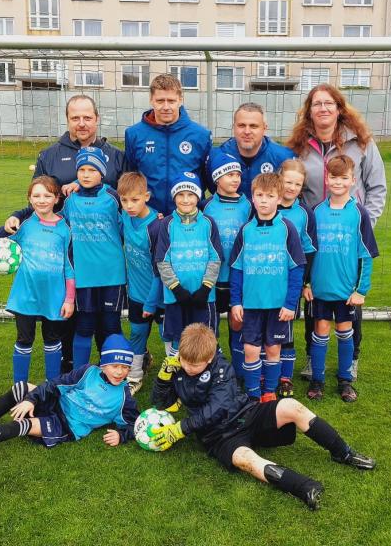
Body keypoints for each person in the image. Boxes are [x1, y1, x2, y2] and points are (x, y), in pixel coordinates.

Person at [151, 323, 376, 511]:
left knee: (292, 406)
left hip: (247, 414)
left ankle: (343, 453)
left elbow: (218, 407)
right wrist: (163, 377)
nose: (188, 367)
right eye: (184, 361)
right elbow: (163, 404)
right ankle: (305, 488)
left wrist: (180, 429)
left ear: (209, 358)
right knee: (246, 460)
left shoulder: (222, 368)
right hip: (218, 436)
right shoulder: (177, 368)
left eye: (195, 364)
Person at [4, 94, 125, 371]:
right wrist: (17, 216)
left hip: (107, 260)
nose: (82, 123)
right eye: (75, 118)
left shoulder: (117, 157)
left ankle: (111, 367)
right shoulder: (50, 155)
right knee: (71, 318)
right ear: (67, 119)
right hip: (65, 255)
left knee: (108, 322)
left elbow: (129, 199)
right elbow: (38, 200)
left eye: (87, 117)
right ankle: (70, 368)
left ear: (97, 119)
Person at [286, 83, 387, 381]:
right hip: (315, 238)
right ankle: (312, 356)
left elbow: (377, 188)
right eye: (316, 104)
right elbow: (293, 189)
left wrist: (363, 227)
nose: (323, 108)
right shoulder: (299, 146)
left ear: (339, 108)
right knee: (313, 297)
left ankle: (351, 358)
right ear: (309, 111)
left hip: (347, 238)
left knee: (349, 299)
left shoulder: (361, 142)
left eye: (329, 103)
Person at [0, 334, 139, 450]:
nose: (120, 372)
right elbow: (56, 384)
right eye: (114, 366)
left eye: (125, 367)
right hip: (56, 404)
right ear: (103, 364)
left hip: (66, 426)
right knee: (21, 387)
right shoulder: (88, 372)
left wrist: (121, 436)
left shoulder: (124, 398)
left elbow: (136, 425)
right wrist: (31, 399)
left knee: (23, 425)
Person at [0, 176, 74, 383]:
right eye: (36, 196)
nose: (42, 200)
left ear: (56, 199)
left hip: (54, 296)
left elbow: (69, 267)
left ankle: (51, 387)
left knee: (52, 339)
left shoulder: (65, 228)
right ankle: (19, 388)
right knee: (24, 339)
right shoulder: (22, 225)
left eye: (47, 196)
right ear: (29, 198)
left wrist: (69, 299)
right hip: (25, 295)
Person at [303, 155, 379, 402]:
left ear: (353, 181)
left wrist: (361, 290)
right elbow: (308, 252)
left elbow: (366, 254)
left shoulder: (359, 214)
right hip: (320, 289)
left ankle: (345, 380)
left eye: (343, 178)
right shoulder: (316, 212)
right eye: (333, 177)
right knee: (320, 330)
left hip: (346, 291)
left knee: (345, 331)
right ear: (326, 179)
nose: (338, 182)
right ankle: (317, 379)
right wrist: (306, 283)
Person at [229, 173, 305, 402]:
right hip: (251, 305)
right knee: (251, 350)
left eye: (270, 196)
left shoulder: (287, 229)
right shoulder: (246, 231)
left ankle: (270, 392)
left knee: (273, 349)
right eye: (259, 195)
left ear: (279, 199)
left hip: (278, 306)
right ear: (252, 198)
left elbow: (297, 268)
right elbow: (236, 268)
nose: (264, 201)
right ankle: (253, 396)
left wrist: (290, 304)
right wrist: (236, 301)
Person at [59, 146, 126, 369]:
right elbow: (55, 221)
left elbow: (131, 221)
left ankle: (113, 373)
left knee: (111, 327)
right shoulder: (70, 200)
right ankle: (80, 374)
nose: (86, 174)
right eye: (82, 170)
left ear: (102, 173)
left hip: (111, 275)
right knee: (84, 327)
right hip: (83, 276)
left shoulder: (113, 197)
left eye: (92, 170)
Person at [124, 74, 212, 216]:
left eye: (171, 101)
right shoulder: (134, 134)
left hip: (187, 218)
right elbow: (132, 176)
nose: (166, 107)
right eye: (160, 101)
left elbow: (206, 179)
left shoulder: (201, 135)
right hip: (148, 217)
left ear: (180, 100)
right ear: (151, 100)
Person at [155, 172, 223, 349]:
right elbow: (162, 260)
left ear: (198, 196)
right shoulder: (167, 224)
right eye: (181, 195)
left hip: (204, 296)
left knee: (205, 339)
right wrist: (177, 289)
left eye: (191, 195)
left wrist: (205, 288)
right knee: (178, 340)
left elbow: (215, 258)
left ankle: (208, 367)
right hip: (176, 296)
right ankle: (175, 366)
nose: (186, 200)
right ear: (174, 197)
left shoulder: (208, 223)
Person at [202, 150, 252, 379]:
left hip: (238, 278)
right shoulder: (205, 206)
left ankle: (239, 373)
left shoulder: (248, 205)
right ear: (216, 178)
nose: (235, 179)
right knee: (210, 326)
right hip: (213, 278)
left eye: (238, 175)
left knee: (237, 322)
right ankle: (214, 371)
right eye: (229, 175)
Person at [117, 171, 164, 394]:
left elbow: (160, 270)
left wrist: (151, 303)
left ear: (147, 196)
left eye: (135, 200)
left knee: (168, 337)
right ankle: (135, 375)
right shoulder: (126, 217)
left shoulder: (157, 226)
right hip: (136, 293)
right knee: (137, 333)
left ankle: (174, 379)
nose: (129, 205)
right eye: (124, 200)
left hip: (159, 296)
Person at [275, 160, 317, 398]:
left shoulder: (304, 214)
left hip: (290, 282)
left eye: (297, 184)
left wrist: (304, 282)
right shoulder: (265, 205)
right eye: (288, 181)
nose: (291, 187)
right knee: (264, 328)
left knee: (286, 329)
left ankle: (285, 378)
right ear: (279, 179)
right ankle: (266, 373)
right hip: (264, 280)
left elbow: (309, 251)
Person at [207, 102, 294, 199]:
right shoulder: (216, 157)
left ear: (264, 128)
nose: (247, 131)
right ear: (233, 127)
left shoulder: (284, 158)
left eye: (253, 126)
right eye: (241, 125)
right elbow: (212, 188)